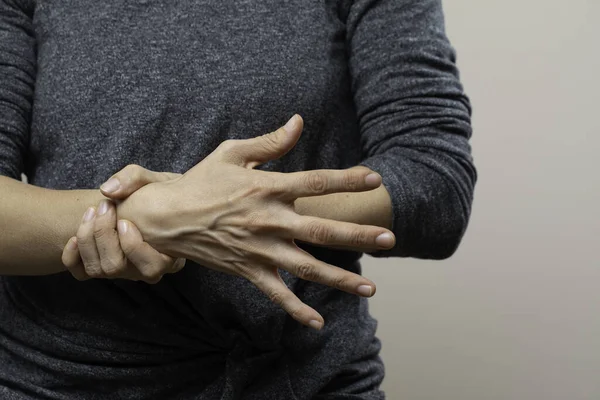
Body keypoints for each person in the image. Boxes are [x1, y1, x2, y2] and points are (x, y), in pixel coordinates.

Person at [0, 0, 476, 398]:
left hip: (301, 379)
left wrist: (221, 213)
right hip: (58, 381)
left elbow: (434, 181)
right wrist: (150, 216)